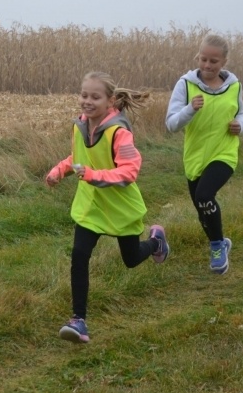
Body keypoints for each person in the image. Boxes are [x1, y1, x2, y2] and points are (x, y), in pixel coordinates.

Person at [46, 71, 170, 344]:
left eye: (95, 96)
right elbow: (79, 160)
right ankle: (78, 321)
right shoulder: (80, 126)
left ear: (110, 101)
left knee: (131, 259)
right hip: (90, 207)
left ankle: (156, 241)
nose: (87, 101)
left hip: (119, 207)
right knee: (79, 255)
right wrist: (60, 170)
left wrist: (93, 175)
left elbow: (129, 172)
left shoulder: (119, 132)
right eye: (84, 95)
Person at [165, 34, 243, 275]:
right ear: (197, 57)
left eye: (214, 61)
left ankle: (216, 248)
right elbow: (171, 124)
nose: (208, 66)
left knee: (205, 195)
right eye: (204, 60)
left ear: (224, 62)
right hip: (195, 158)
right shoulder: (185, 84)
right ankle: (220, 241)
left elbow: (242, 115)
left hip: (224, 153)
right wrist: (190, 109)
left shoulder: (234, 86)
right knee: (203, 208)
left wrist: (240, 126)